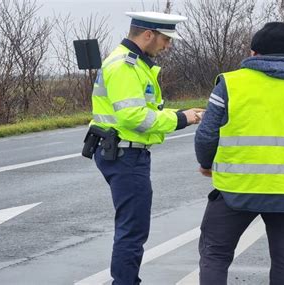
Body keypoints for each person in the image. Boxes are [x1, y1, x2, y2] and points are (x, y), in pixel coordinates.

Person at [195, 22, 284, 285]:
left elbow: (206, 135)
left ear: (253, 52)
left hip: (236, 190)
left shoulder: (231, 83)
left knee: (215, 254)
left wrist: (206, 163)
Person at [89, 11, 202, 285]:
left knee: (133, 228)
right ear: (148, 35)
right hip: (125, 154)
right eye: (166, 39)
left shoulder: (136, 65)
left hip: (125, 152)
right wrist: (180, 119)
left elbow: (148, 109)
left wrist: (183, 112)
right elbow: (134, 116)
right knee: (133, 230)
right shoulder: (125, 66)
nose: (168, 45)